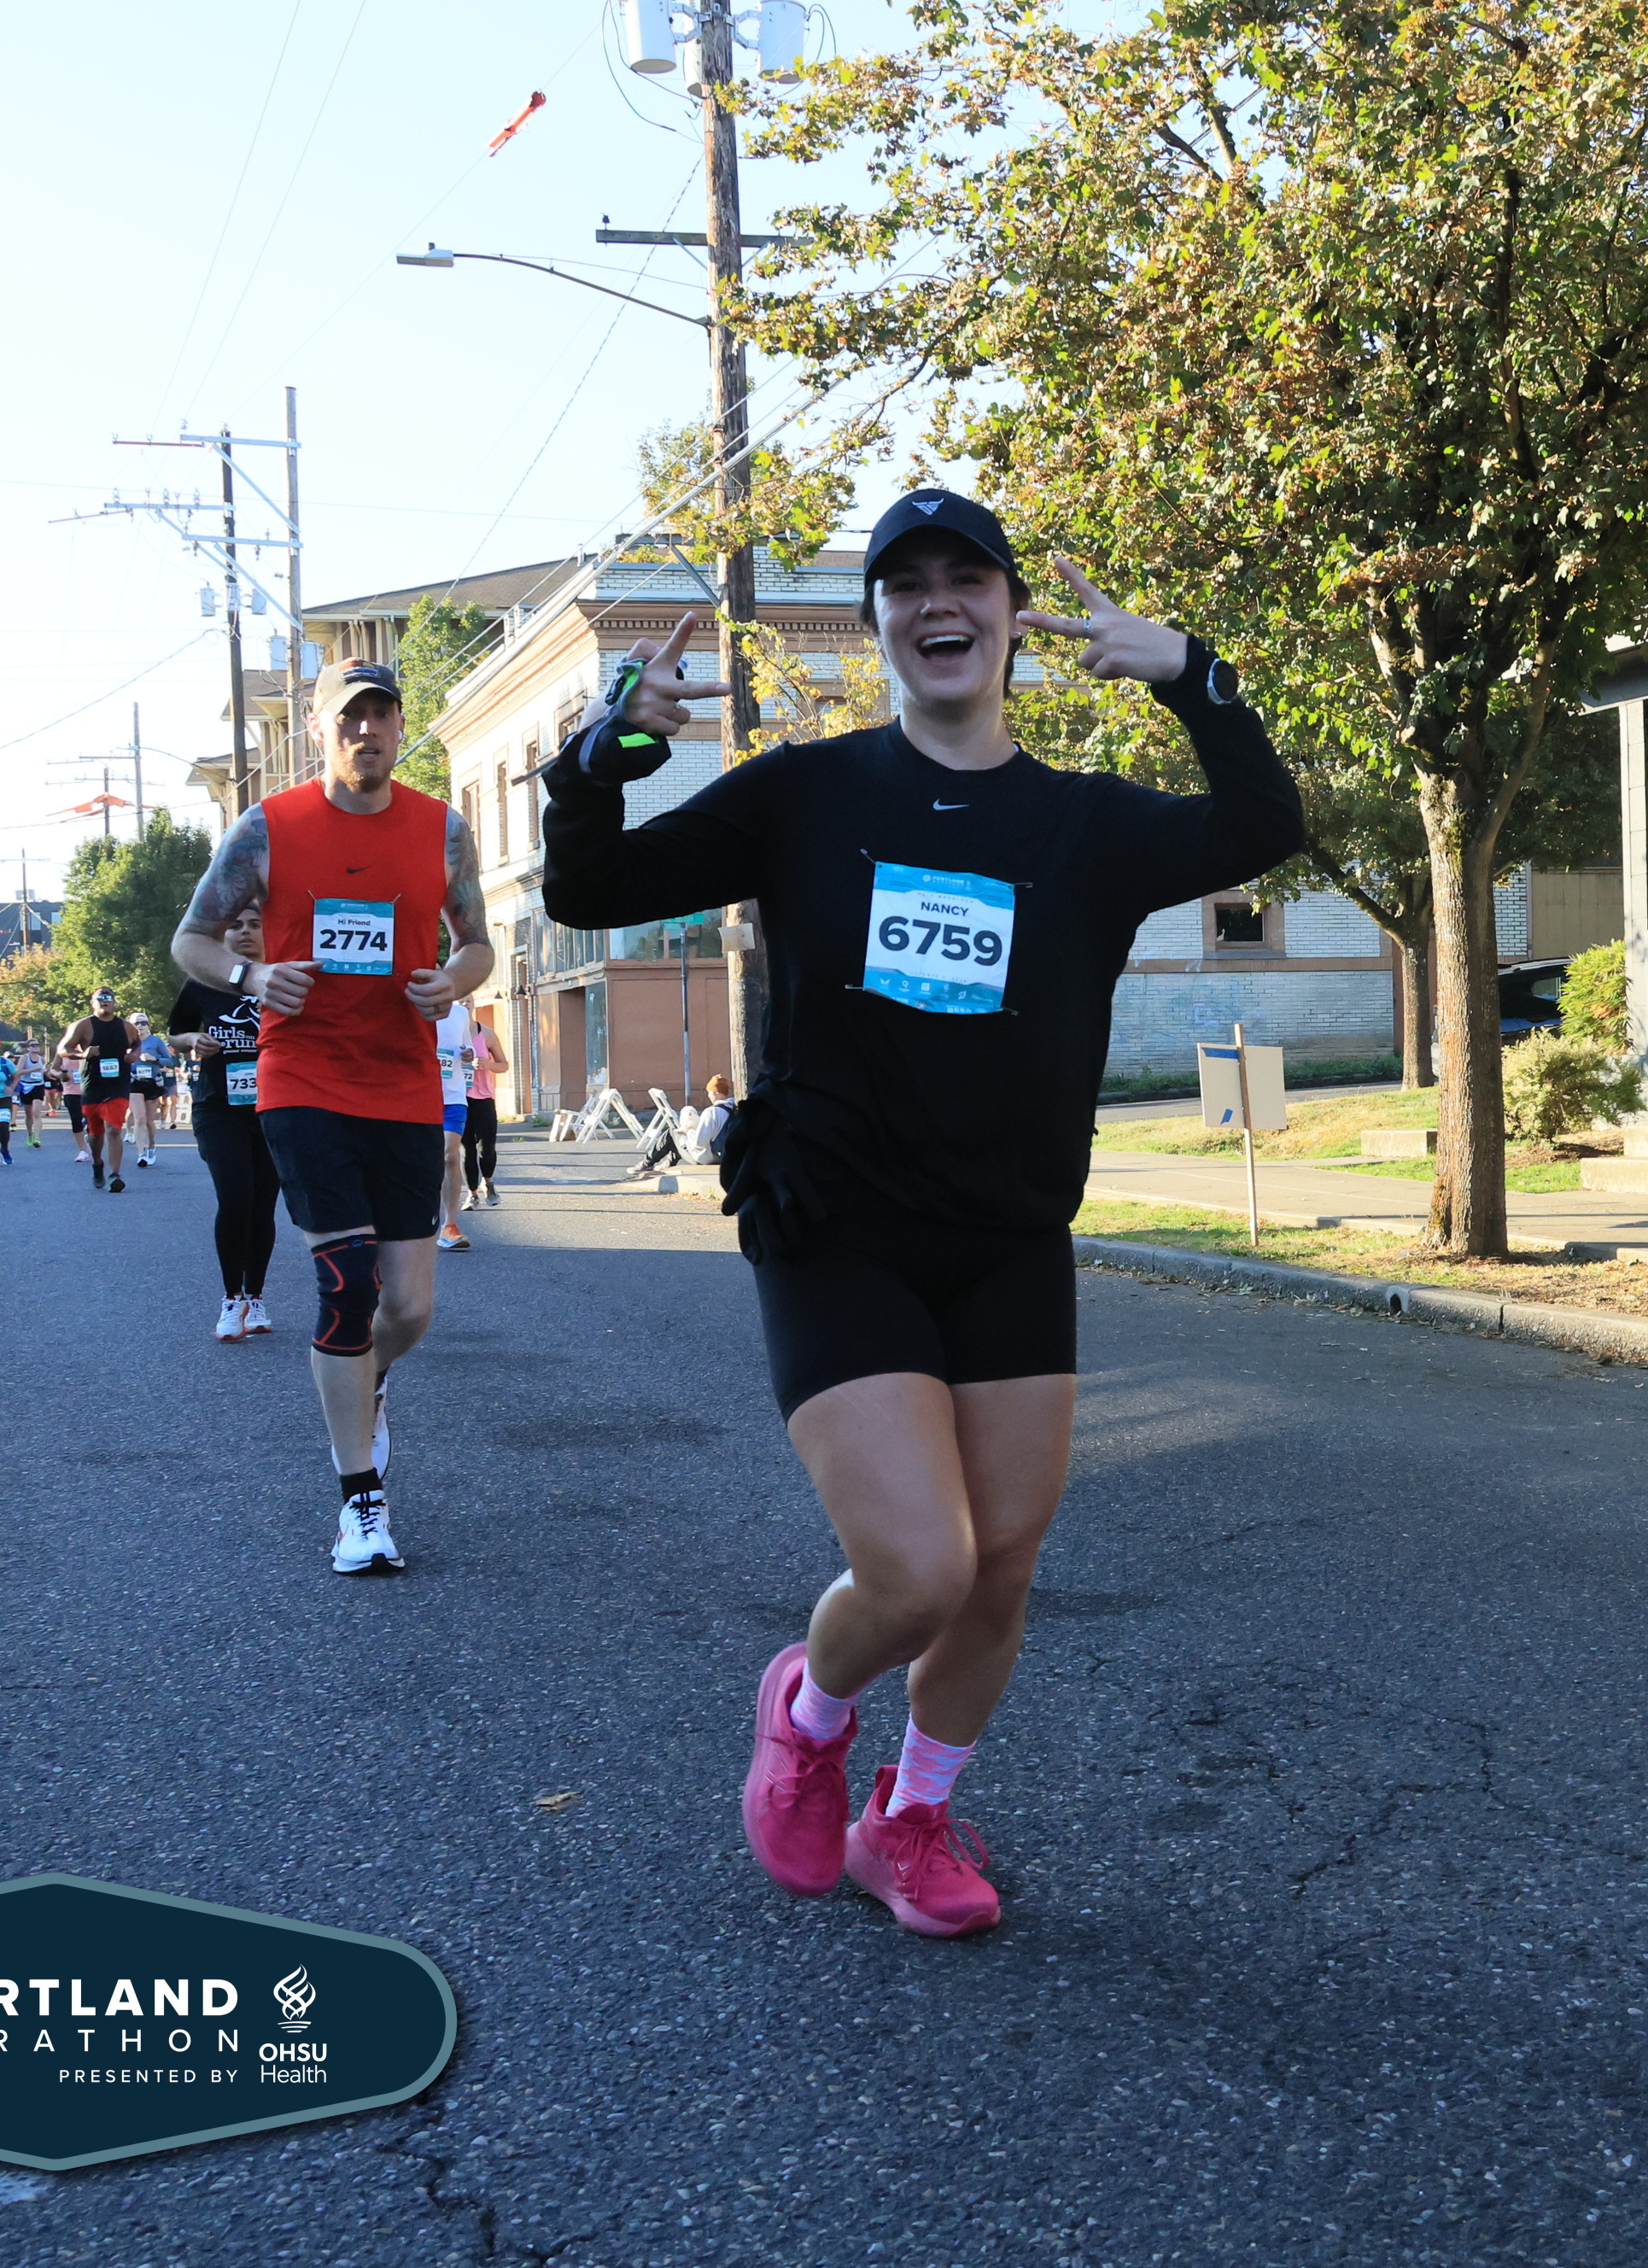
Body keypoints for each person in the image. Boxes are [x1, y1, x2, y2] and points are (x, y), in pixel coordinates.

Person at [541, 488, 1302, 1937]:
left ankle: (910, 1819)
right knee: (918, 1567)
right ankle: (809, 1711)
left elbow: (1265, 821)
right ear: (880, 621)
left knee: (997, 1573)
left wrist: (1190, 673)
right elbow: (592, 886)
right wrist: (605, 752)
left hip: (1007, 1233)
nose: (938, 602)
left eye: (969, 578)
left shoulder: (1085, 823)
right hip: (836, 1223)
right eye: (908, 584)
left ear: (1009, 614)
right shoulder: (803, 795)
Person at [171, 658, 490, 1576]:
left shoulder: (443, 829)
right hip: (302, 1076)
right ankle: (361, 1503)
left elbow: (477, 944)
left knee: (409, 1307)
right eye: (349, 716)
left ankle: (366, 1379)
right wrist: (252, 974)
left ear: (399, 727)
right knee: (347, 1285)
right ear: (319, 727)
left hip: (402, 1083)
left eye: (381, 714)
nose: (366, 730)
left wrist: (450, 981)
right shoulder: (265, 830)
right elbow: (191, 940)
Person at [171, 906, 279, 1342]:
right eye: (235, 926)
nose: (245, 932)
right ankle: (232, 1298)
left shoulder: (281, 978)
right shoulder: (205, 980)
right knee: (236, 1198)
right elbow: (175, 1032)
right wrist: (192, 1040)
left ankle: (256, 1297)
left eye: (254, 924)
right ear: (223, 934)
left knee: (264, 1204)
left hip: (274, 1107)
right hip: (219, 1107)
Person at [59, 988, 137, 1192]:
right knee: (95, 1132)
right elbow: (62, 1049)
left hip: (118, 1084)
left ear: (114, 1002)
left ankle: (115, 1175)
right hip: (92, 1085)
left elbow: (137, 1044)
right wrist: (83, 1054)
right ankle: (97, 1162)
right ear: (93, 1003)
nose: (105, 1001)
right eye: (100, 998)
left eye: (108, 998)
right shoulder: (83, 1025)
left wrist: (134, 1055)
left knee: (114, 1128)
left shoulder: (126, 1027)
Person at [632, 1073, 733, 1178]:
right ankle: (668, 1163)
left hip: (709, 1158)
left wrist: (689, 1131)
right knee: (680, 1140)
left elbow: (699, 1143)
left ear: (716, 1092)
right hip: (725, 1156)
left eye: (709, 1092)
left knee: (672, 1133)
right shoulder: (733, 1108)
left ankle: (646, 1164)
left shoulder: (712, 1112)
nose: (708, 1095)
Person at [434, 1000, 476, 1253]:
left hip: (453, 1097)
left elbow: (468, 1045)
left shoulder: (460, 1013)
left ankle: (449, 1225)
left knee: (450, 1156)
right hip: (418, 1097)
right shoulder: (410, 1006)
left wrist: (469, 1053)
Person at [461, 1016, 508, 1208]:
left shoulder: (486, 1033)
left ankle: (488, 1182)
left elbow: (503, 1065)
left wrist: (487, 1064)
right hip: (459, 1097)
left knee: (487, 1148)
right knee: (466, 1149)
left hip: (483, 1097)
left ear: (473, 1005)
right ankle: (472, 1194)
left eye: (468, 1002)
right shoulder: (448, 1032)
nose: (465, 1004)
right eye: (460, 1002)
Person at [126, 1012, 172, 1169]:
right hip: (134, 1083)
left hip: (152, 1082)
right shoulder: (126, 1042)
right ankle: (141, 1153)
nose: (140, 1026)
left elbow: (171, 1061)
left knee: (148, 1121)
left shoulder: (156, 1041)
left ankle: (152, 1146)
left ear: (148, 1026)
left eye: (143, 1023)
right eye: (136, 1023)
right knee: (139, 1118)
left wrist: (155, 1059)